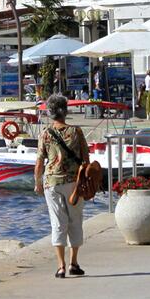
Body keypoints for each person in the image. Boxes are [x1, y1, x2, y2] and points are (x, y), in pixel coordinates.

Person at [34, 94, 87, 278]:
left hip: (52, 183)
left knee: (58, 222)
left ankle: (61, 266)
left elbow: (40, 161)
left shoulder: (45, 134)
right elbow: (86, 160)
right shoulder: (76, 132)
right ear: (66, 111)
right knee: (75, 220)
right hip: (74, 182)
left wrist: (37, 183)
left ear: (49, 112)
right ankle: (74, 263)